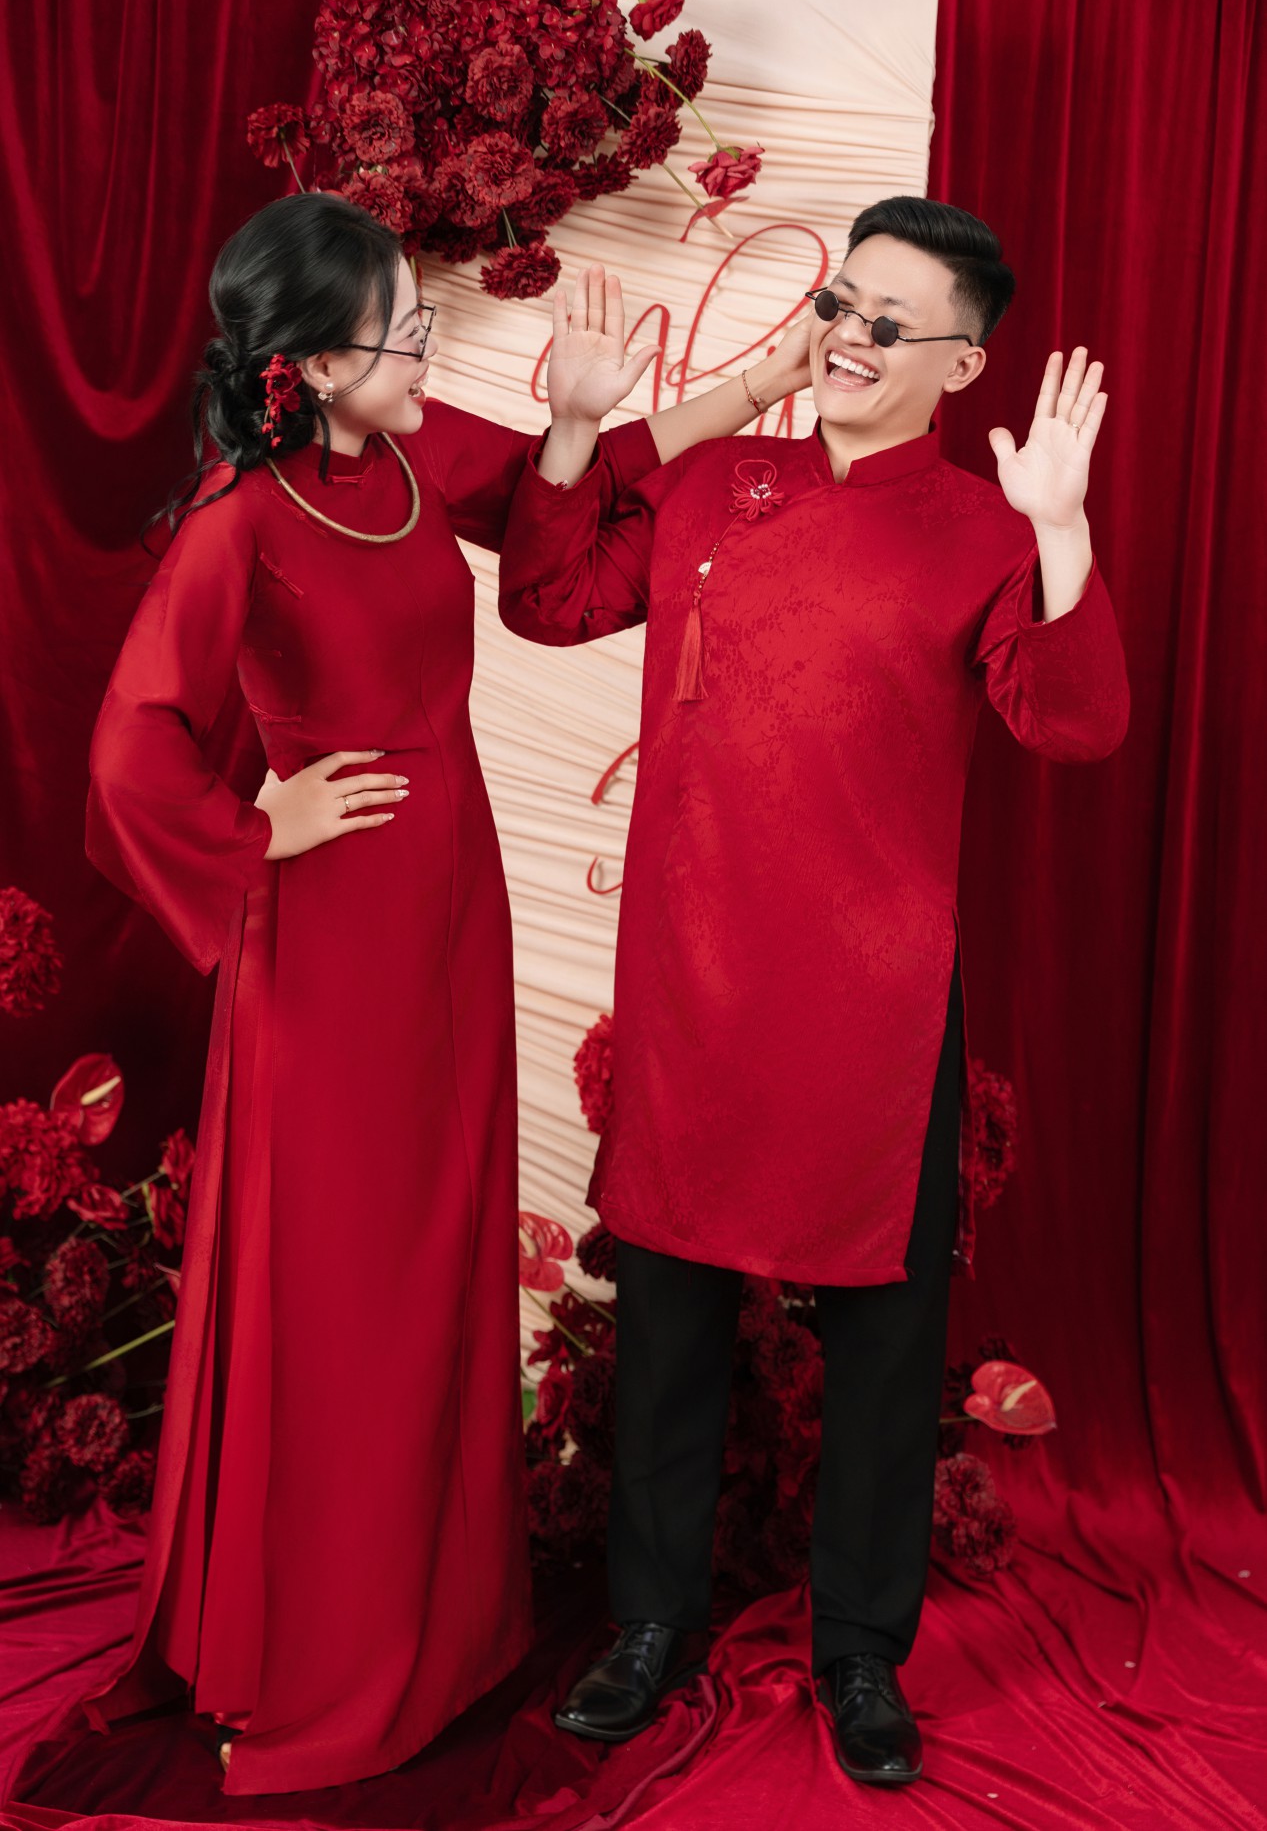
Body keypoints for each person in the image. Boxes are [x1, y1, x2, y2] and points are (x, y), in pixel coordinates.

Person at [80, 191, 809, 1796]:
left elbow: (582, 495)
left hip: (451, 914)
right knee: (344, 1273)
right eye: (403, 326)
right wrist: (255, 825)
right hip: (330, 944)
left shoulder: (413, 458)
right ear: (313, 362)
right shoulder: (241, 521)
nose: (429, 344)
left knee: (437, 1253)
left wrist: (684, 401)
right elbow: (131, 741)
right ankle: (316, 1651)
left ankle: (444, 1631)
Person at [497, 197, 1129, 1788]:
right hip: (695, 982)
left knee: (886, 1352)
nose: (850, 337)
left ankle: (859, 1651)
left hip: (880, 1010)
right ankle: (650, 1623)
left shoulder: (984, 533)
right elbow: (549, 596)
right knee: (668, 1328)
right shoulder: (721, 480)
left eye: (890, 324)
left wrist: (1062, 530)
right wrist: (581, 431)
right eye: (844, 302)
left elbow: (1075, 724)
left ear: (962, 366)